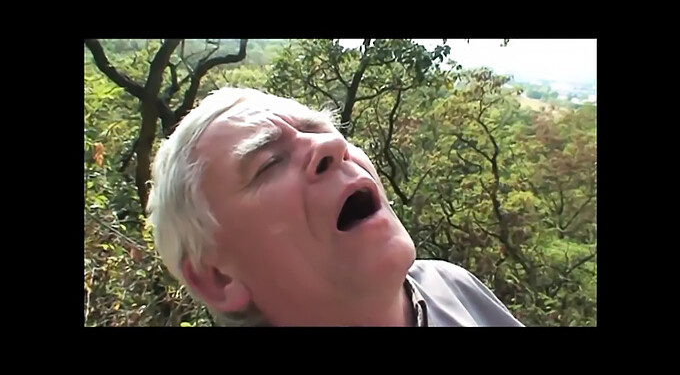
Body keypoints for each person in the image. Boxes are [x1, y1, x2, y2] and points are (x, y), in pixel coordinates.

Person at [146, 87, 524, 327]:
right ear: (218, 279)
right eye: (269, 163)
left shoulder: (452, 286)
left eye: (322, 130)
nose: (330, 146)